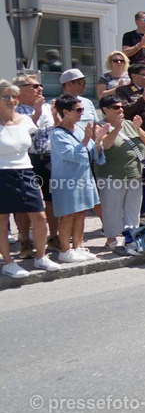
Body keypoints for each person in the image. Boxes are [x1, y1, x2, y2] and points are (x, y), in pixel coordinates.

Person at [0, 80, 60, 276]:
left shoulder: (26, 120)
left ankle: (41, 257)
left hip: (26, 171)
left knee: (40, 216)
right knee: (1, 220)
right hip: (2, 173)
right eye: (6, 96)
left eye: (14, 96)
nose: (11, 100)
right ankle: (8, 262)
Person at [49, 94, 105, 264]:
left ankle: (77, 247)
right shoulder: (57, 134)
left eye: (83, 109)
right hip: (66, 180)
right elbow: (71, 155)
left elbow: (92, 154)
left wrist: (98, 141)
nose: (82, 113)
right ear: (65, 112)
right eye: (79, 110)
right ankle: (65, 250)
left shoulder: (80, 128)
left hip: (84, 177)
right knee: (68, 215)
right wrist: (87, 138)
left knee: (81, 213)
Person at [95, 95, 145, 252]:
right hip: (112, 175)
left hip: (134, 174)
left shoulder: (129, 123)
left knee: (132, 208)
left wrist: (138, 128)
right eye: (116, 107)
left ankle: (131, 237)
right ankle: (111, 238)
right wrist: (116, 128)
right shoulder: (99, 126)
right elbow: (106, 145)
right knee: (112, 207)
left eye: (121, 107)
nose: (121, 110)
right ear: (106, 110)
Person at [12, 74, 58, 256]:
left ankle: (53, 238)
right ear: (19, 90)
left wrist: (55, 115)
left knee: (51, 199)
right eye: (34, 86)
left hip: (49, 158)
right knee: (24, 203)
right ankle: (25, 241)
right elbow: (20, 133)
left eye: (41, 85)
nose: (40, 89)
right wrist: (36, 112)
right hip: (26, 159)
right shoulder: (13, 110)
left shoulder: (47, 107)